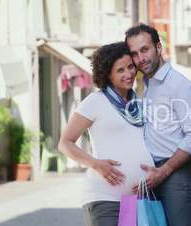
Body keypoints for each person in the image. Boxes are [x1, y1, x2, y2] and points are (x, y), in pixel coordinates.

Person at [58, 42, 154, 226]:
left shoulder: (138, 104)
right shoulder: (95, 102)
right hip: (104, 197)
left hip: (133, 199)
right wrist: (95, 164)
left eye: (130, 67)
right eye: (120, 70)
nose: (128, 74)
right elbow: (65, 142)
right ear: (107, 74)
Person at [125, 24, 191, 226]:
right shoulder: (145, 84)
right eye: (134, 53)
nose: (140, 58)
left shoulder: (179, 85)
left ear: (159, 48)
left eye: (145, 49)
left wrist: (165, 171)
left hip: (177, 176)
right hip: (152, 176)